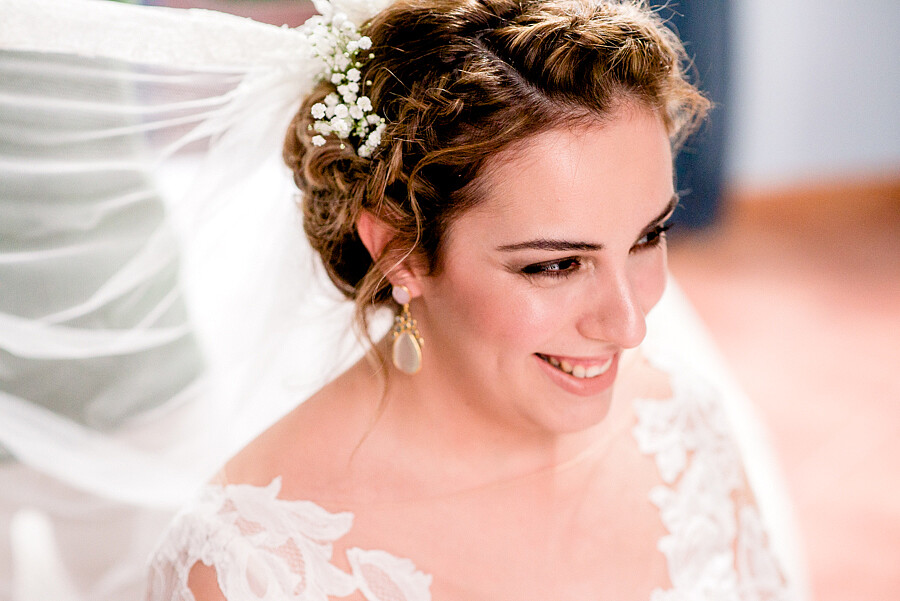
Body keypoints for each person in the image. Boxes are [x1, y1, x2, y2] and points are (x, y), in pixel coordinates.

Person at [144, 0, 798, 599]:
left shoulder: (681, 425)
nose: (629, 325)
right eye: (556, 264)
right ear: (401, 249)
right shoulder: (252, 562)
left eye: (648, 235)